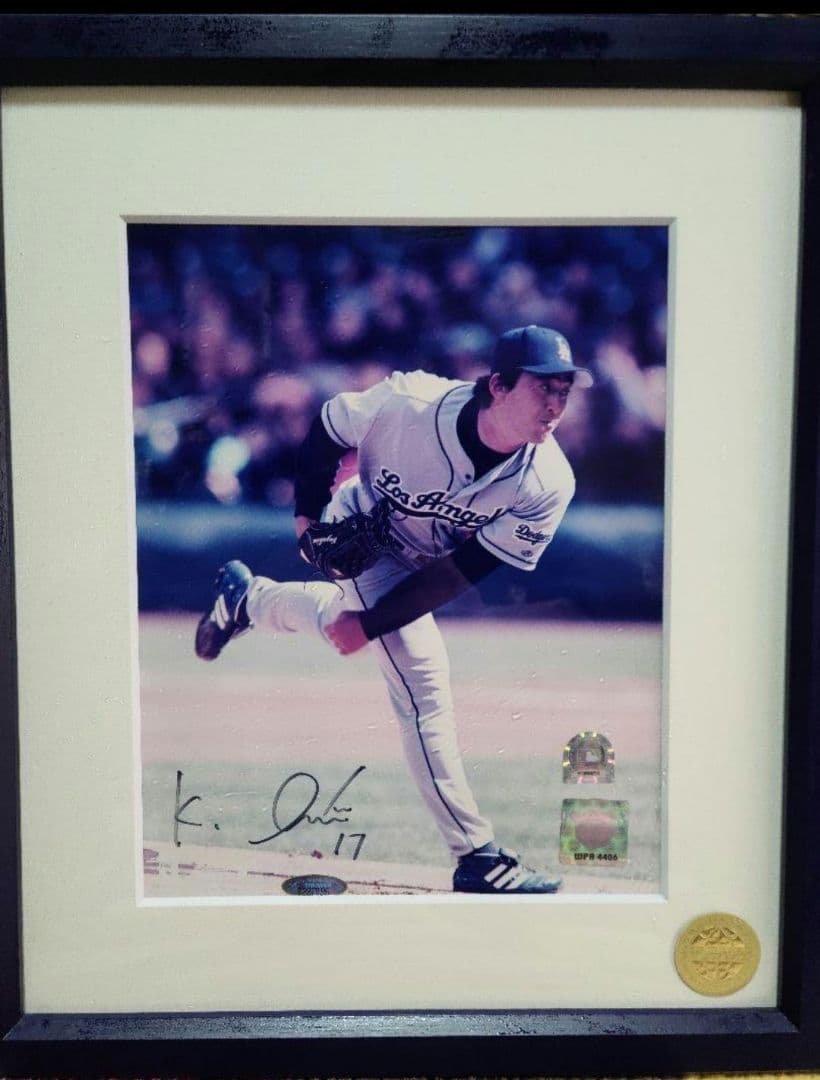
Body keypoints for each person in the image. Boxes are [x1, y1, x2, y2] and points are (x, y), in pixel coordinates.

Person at [195, 325, 593, 893]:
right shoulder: (410, 404)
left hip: (430, 563)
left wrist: (370, 623)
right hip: (362, 533)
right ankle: (475, 855)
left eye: (563, 391)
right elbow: (328, 428)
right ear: (499, 386)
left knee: (347, 624)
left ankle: (247, 600)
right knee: (422, 679)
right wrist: (307, 524)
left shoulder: (548, 481)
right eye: (542, 388)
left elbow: (463, 571)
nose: (555, 404)